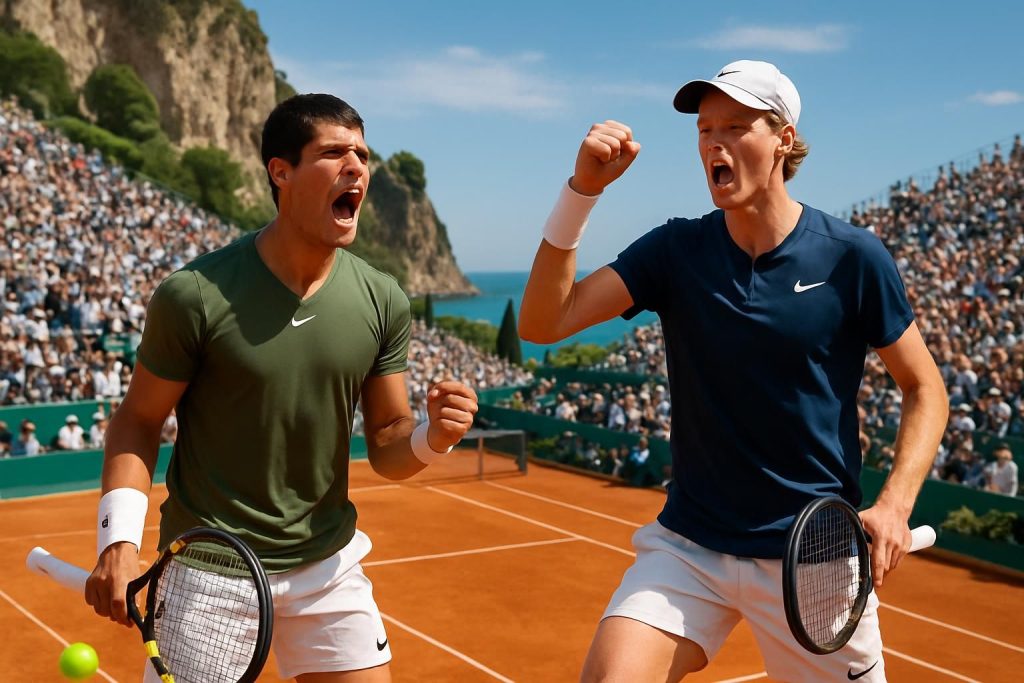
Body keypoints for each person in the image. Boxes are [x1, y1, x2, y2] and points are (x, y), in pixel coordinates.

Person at [519, 60, 948, 681]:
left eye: (735, 127)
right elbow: (544, 323)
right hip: (689, 547)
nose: (713, 143)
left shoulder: (853, 257)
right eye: (704, 129)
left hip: (815, 556)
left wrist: (894, 506)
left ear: (783, 140)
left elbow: (925, 387)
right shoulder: (675, 249)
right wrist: (581, 192)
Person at [84, 93, 479, 683]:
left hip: (329, 565)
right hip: (209, 570)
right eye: (334, 152)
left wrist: (433, 437)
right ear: (281, 172)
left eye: (362, 154)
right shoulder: (194, 295)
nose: (356, 166)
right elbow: (137, 422)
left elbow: (389, 444)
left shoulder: (384, 299)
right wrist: (118, 541)